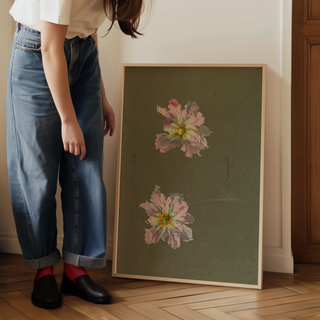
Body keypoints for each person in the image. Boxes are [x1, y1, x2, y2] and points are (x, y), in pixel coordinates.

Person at [7, 0, 145, 309]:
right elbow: (50, 48)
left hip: (83, 58)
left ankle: (75, 269)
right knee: (36, 173)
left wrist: (101, 95)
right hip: (36, 53)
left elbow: (87, 30)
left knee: (86, 168)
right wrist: (68, 121)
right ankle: (43, 269)